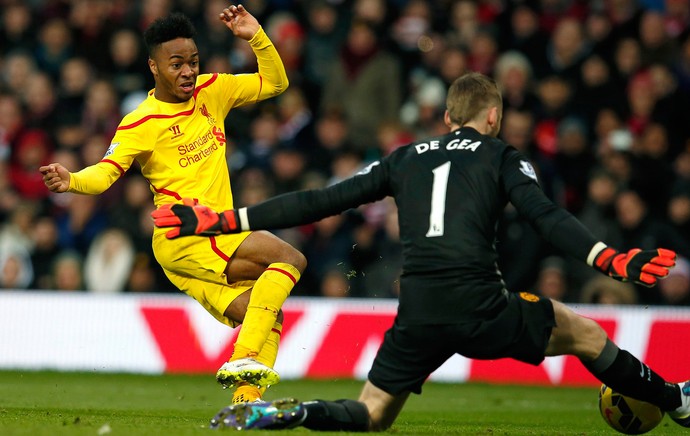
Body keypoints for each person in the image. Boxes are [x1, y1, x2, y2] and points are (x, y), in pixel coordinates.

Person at [151, 72, 689, 431]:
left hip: (419, 310)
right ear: (493, 117)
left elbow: (318, 201)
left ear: (447, 116)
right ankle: (675, 401)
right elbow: (545, 217)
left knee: (374, 413)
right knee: (584, 333)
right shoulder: (499, 155)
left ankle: (297, 413)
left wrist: (221, 219)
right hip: (481, 304)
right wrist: (611, 260)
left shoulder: (403, 158)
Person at [40, 6, 307, 405]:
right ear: (154, 66)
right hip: (188, 232)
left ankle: (246, 401)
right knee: (290, 258)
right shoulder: (140, 121)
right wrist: (73, 180)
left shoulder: (212, 91)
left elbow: (276, 82)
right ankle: (243, 358)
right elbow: (106, 172)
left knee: (264, 312)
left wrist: (256, 37)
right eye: (176, 63)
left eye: (193, 62)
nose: (188, 72)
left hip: (207, 235)